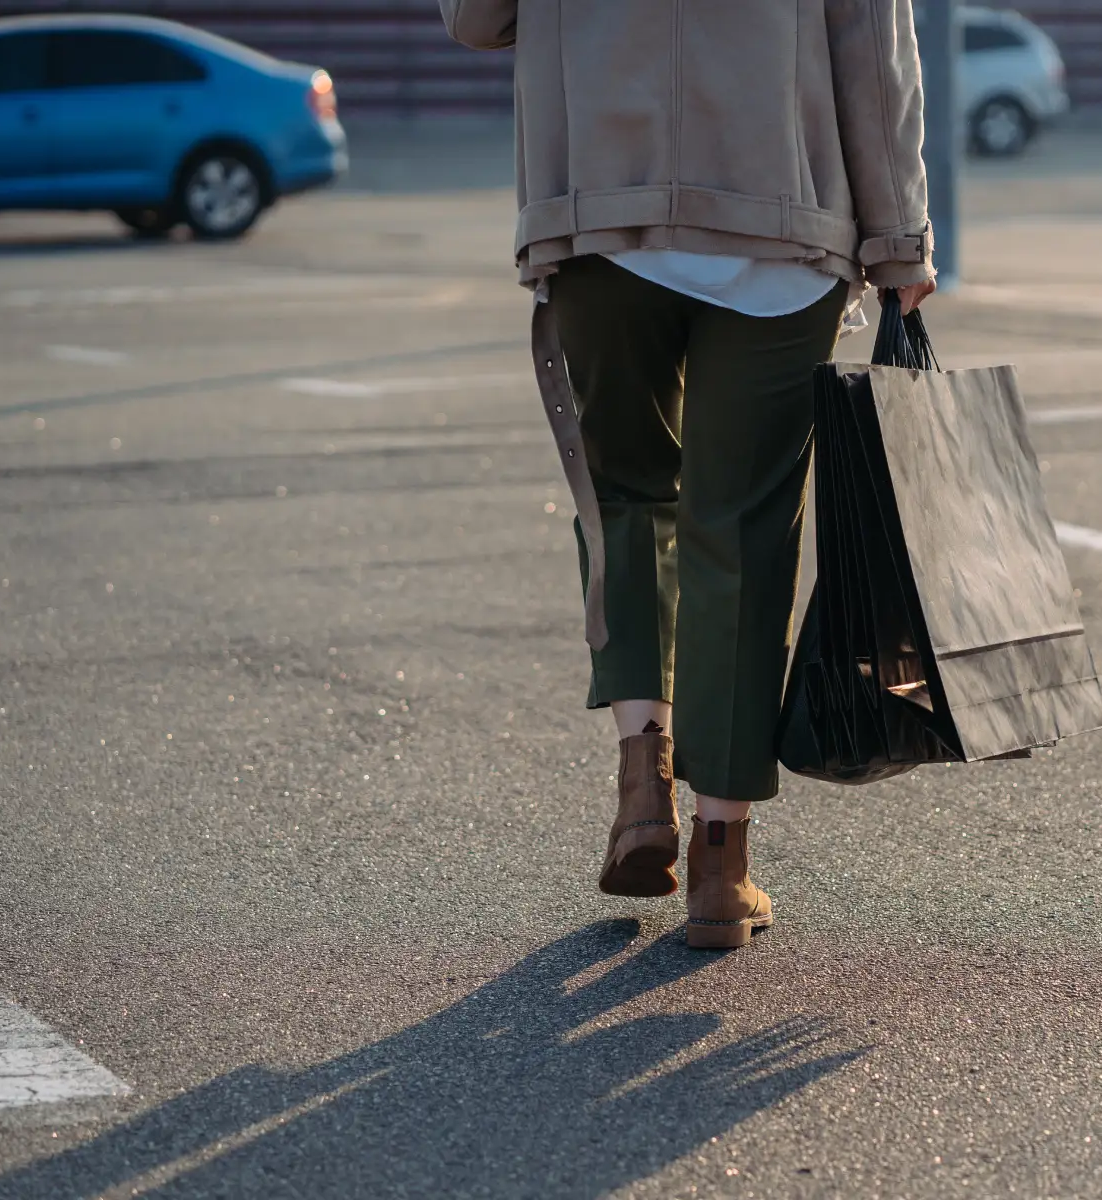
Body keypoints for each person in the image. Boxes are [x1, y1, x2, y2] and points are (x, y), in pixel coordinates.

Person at [440, 0, 938, 948]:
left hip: (601, 211)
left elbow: (476, 19)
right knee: (742, 535)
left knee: (624, 496)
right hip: (782, 222)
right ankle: (720, 859)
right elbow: (871, 48)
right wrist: (900, 239)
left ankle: (642, 776)